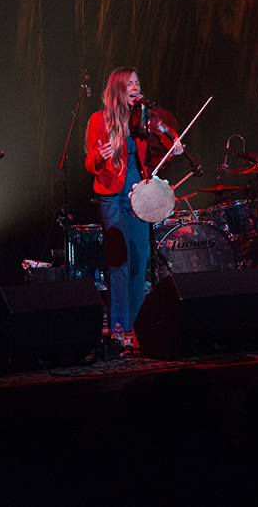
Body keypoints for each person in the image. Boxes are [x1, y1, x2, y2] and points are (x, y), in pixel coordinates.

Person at [85, 67, 164, 341]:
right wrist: (100, 157)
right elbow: (89, 162)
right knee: (119, 261)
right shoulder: (99, 120)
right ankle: (119, 327)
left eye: (137, 83)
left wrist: (174, 143)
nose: (135, 87)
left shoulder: (141, 121)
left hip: (138, 196)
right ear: (119, 88)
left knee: (140, 260)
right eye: (130, 83)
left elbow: (163, 139)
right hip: (112, 197)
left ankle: (138, 326)